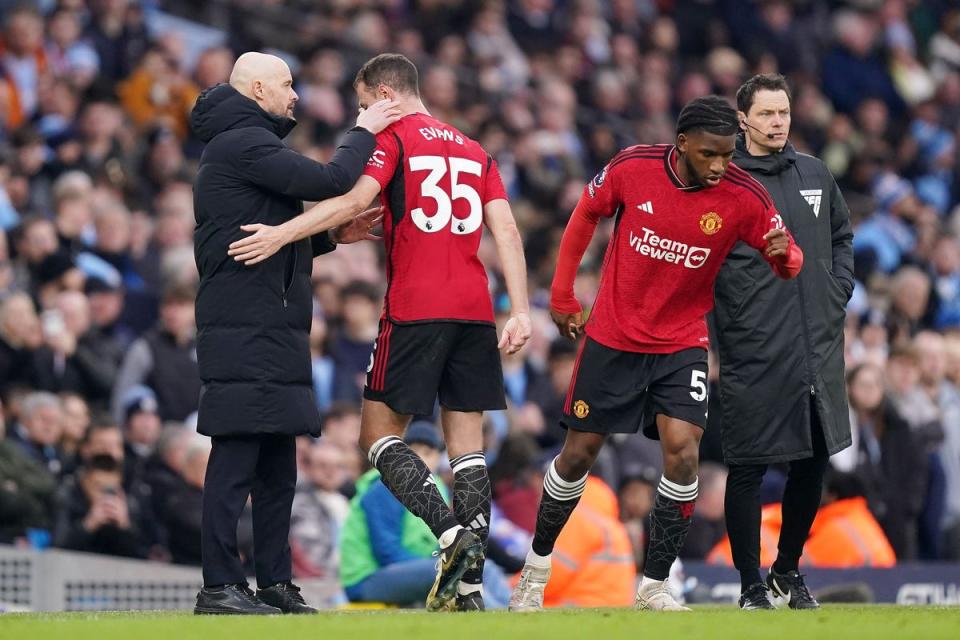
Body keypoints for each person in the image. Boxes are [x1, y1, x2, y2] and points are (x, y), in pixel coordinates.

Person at [227, 53, 532, 611]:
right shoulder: (473, 148)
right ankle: (468, 594)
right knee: (468, 450)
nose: (366, 114)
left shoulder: (394, 139)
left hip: (416, 307)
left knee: (375, 437)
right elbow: (506, 228)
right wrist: (522, 310)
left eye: (366, 104)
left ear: (386, 94)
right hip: (475, 309)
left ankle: (448, 534)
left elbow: (351, 200)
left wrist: (283, 234)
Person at [506, 95, 804, 612]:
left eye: (728, 155)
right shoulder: (634, 166)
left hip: (681, 340)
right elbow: (584, 215)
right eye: (709, 154)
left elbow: (785, 253)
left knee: (685, 451)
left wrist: (787, 259)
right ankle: (536, 569)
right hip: (613, 336)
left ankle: (655, 585)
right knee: (578, 456)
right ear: (682, 144)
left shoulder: (744, 195)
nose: (719, 166)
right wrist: (561, 295)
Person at [189, 51, 401, 616]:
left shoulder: (244, 147)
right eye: (287, 85)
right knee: (235, 463)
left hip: (270, 329)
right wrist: (363, 130)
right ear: (257, 89)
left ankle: (274, 584)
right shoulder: (242, 144)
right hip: (246, 332)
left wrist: (332, 240)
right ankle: (218, 586)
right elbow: (333, 179)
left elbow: (265, 242)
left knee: (279, 468)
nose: (295, 96)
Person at [712, 74, 854, 610]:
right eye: (767, 114)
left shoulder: (815, 173)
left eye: (784, 113)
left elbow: (843, 236)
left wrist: (836, 291)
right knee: (748, 465)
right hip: (755, 348)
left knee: (813, 461)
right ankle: (750, 584)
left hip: (818, 345)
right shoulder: (724, 183)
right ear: (743, 119)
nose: (778, 123)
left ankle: (787, 570)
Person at [339, 422, 510, 608]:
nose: (420, 459)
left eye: (428, 453)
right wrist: (439, 563)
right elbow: (387, 553)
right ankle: (494, 616)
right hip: (367, 578)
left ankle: (510, 616)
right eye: (413, 453)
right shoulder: (383, 489)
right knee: (454, 570)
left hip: (411, 569)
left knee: (484, 567)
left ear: (438, 457)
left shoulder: (438, 488)